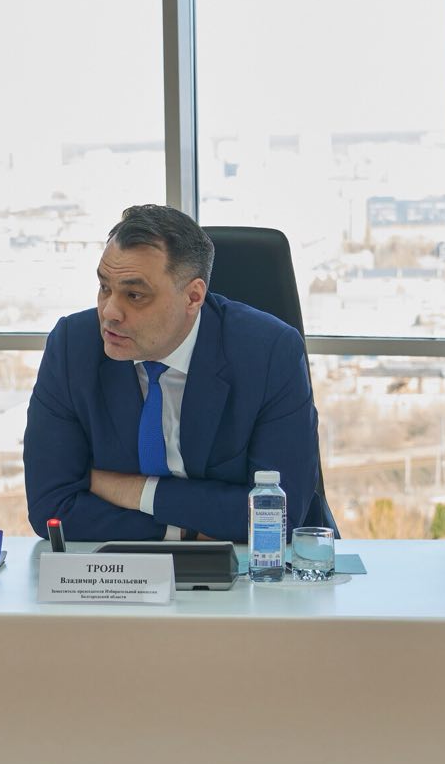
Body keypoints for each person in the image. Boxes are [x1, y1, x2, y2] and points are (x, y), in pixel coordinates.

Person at [24, 204, 324, 541]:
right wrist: (183, 533)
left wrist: (136, 492)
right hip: (117, 569)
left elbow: (275, 516)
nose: (109, 312)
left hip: (260, 566)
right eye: (105, 287)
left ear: (193, 297)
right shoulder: (72, 346)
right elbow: (51, 508)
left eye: (134, 295)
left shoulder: (269, 353)